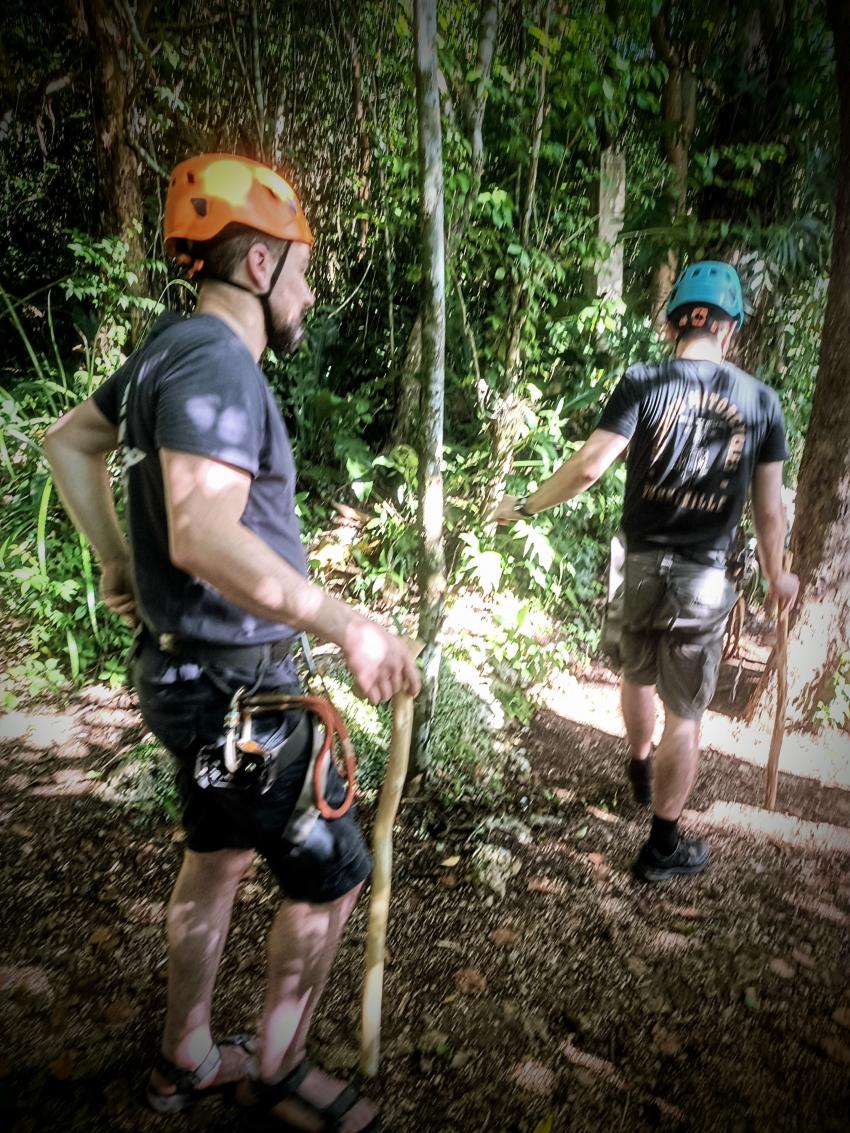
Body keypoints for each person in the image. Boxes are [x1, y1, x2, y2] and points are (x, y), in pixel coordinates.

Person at [44, 152, 419, 1131]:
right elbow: (205, 532)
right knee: (332, 872)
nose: (310, 284)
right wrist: (345, 620)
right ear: (256, 262)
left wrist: (117, 564)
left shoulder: (166, 351)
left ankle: (185, 1053)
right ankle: (282, 1067)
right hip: (237, 691)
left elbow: (67, 441)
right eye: (303, 263)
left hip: (183, 674)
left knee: (213, 855)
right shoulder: (215, 361)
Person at [490, 260, 798, 883]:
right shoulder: (762, 402)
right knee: (686, 710)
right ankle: (662, 844)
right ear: (729, 329)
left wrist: (521, 505)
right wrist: (777, 576)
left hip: (637, 562)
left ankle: (638, 760)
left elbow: (587, 467)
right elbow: (770, 509)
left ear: (674, 325)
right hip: (705, 576)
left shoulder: (644, 380)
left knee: (637, 669)